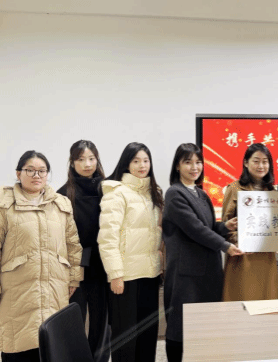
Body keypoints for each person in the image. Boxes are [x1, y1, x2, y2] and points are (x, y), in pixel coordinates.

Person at [163, 144, 243, 362]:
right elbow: (195, 229)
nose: (194, 167)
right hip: (186, 273)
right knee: (179, 325)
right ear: (177, 166)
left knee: (204, 325)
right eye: (188, 162)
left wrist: (225, 226)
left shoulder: (201, 193)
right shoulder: (174, 193)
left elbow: (207, 226)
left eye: (198, 162)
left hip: (208, 271)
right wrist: (225, 246)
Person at [0, 151, 83, 362]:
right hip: (17, 290)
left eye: (42, 171)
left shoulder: (61, 204)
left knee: (51, 346)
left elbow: (73, 245)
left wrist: (74, 278)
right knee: (18, 345)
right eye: (30, 170)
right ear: (18, 173)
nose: (36, 175)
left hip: (54, 287)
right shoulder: (4, 204)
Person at [98, 142, 164, 362]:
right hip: (125, 277)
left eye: (146, 160)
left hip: (150, 273)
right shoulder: (116, 193)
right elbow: (107, 238)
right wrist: (115, 274)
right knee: (125, 337)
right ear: (127, 164)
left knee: (148, 333)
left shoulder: (153, 193)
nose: (142, 165)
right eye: (136, 161)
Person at [58, 140, 110, 362]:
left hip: (104, 263)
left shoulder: (109, 189)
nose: (87, 164)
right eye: (81, 159)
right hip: (75, 266)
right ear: (72, 163)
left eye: (91, 158)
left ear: (97, 160)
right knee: (74, 319)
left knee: (102, 321)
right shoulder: (63, 194)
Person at [222, 143, 278, 301]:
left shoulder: (273, 191)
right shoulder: (234, 188)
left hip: (266, 257)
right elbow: (225, 225)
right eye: (256, 161)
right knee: (241, 303)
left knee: (265, 304)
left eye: (265, 161)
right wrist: (239, 241)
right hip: (243, 257)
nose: (261, 166)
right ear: (246, 163)